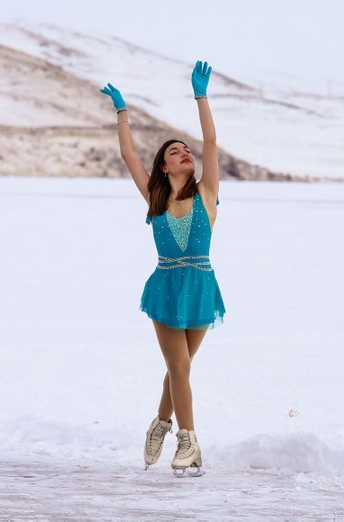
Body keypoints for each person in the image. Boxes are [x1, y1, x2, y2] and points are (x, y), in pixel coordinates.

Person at [100, 61, 226, 477]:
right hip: (166, 286)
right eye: (175, 152)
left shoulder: (207, 194)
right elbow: (128, 154)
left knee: (182, 366)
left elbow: (210, 139)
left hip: (203, 286)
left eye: (185, 149)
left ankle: (160, 423)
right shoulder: (154, 197)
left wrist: (201, 96)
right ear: (164, 167)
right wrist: (123, 112)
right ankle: (188, 441)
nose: (185, 152)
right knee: (179, 367)